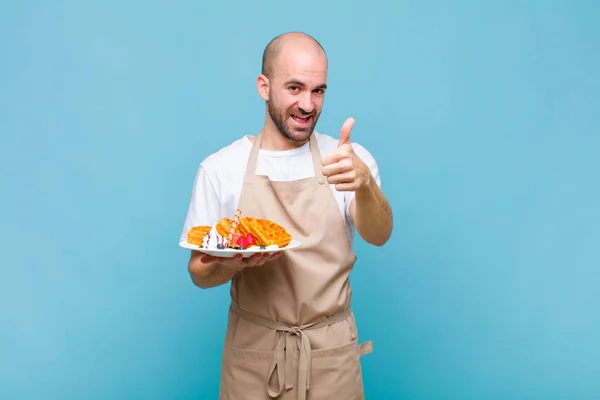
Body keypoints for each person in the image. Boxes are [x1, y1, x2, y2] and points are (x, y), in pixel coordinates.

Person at [179, 31, 393, 400]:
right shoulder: (220, 168)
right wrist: (237, 263)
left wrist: (365, 185)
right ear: (264, 86)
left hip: (330, 354)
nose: (308, 104)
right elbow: (199, 271)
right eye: (294, 88)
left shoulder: (346, 160)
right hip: (255, 354)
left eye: (318, 90)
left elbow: (379, 234)